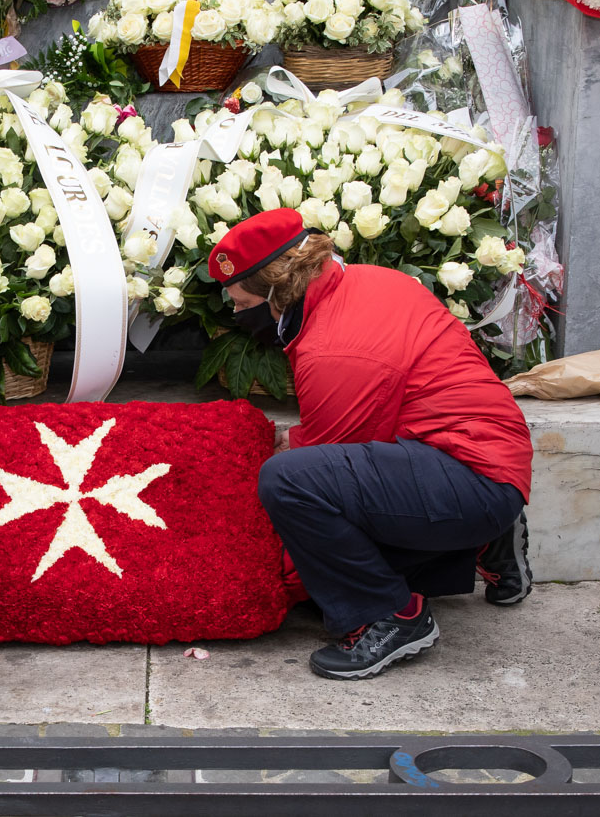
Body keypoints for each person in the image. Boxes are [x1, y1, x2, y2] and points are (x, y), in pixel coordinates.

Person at [208, 207, 534, 680]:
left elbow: (322, 472)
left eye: (241, 303)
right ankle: (485, 539)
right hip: (482, 453)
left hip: (469, 473)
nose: (237, 314)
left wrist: (284, 578)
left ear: (277, 290)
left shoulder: (332, 350)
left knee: (288, 489)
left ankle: (389, 617)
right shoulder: (369, 280)